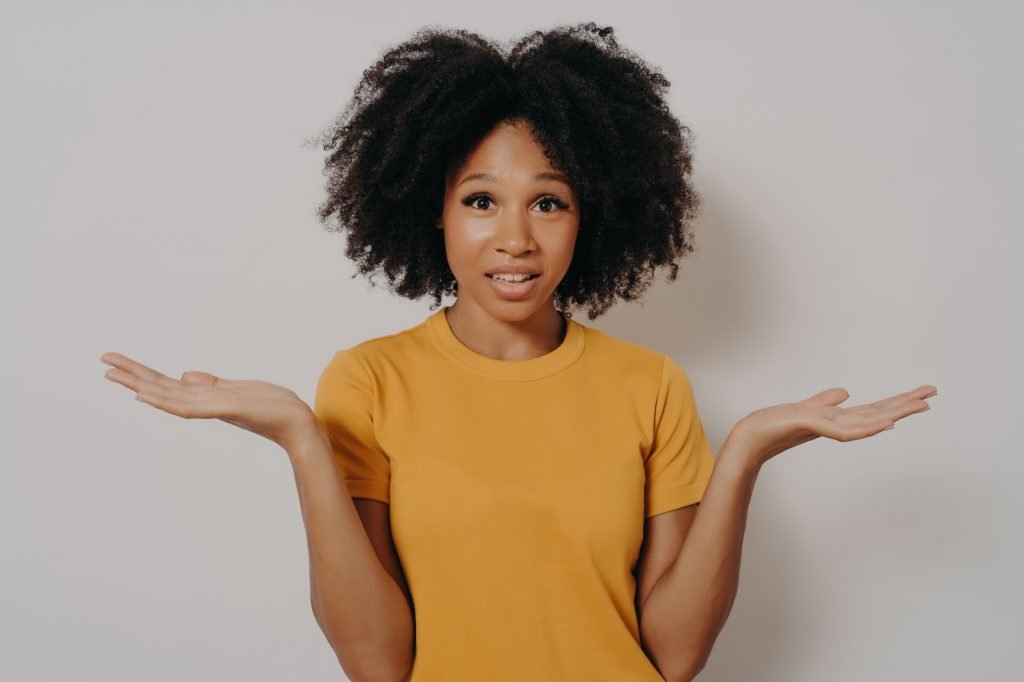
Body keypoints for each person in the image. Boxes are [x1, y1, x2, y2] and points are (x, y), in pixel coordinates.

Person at [100, 21, 936, 682]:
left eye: (548, 202)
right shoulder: (368, 381)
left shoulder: (648, 385)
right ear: (431, 207)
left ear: (591, 214)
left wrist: (747, 452)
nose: (514, 239)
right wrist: (301, 440)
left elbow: (674, 657)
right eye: (479, 200)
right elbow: (376, 665)